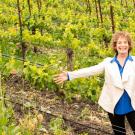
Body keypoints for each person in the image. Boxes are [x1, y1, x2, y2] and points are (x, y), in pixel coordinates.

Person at [53, 31, 135, 135]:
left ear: (129, 45)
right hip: (114, 104)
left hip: (132, 104)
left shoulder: (134, 62)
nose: (122, 45)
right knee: (119, 133)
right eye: (119, 42)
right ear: (115, 45)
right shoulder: (108, 63)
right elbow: (90, 70)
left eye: (125, 42)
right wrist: (70, 75)